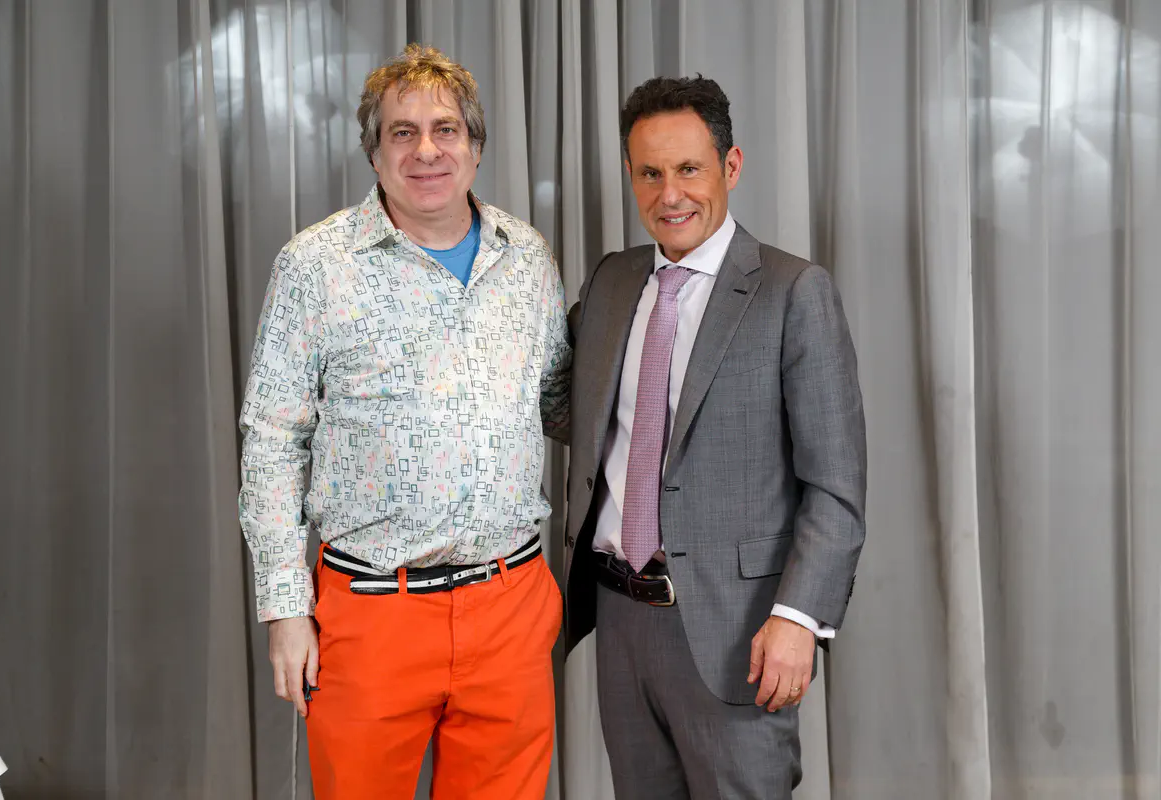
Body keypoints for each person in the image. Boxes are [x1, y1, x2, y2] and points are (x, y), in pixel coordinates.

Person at [238, 43, 571, 799]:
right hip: (370, 616)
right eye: (403, 132)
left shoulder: (527, 258)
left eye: (446, 129)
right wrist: (285, 609)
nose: (427, 150)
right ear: (375, 152)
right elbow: (272, 442)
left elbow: (560, 405)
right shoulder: (315, 265)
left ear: (475, 147)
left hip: (510, 606)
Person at [563, 75, 867, 799]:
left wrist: (798, 619)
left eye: (689, 169)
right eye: (650, 173)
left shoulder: (794, 292)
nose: (670, 194)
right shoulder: (612, 282)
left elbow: (835, 487)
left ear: (731, 167)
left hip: (738, 631)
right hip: (620, 619)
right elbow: (565, 409)